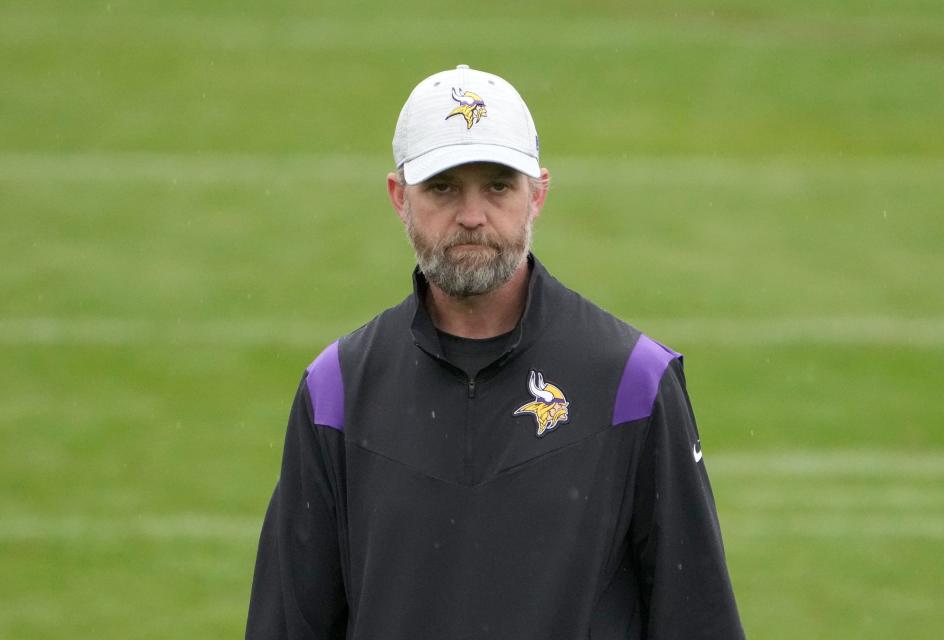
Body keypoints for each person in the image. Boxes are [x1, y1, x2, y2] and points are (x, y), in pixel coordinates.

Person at [246, 64, 744, 640]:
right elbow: (289, 622)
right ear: (398, 197)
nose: (472, 216)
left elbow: (696, 616)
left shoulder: (632, 381)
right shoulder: (336, 389)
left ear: (538, 194)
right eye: (443, 187)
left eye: (498, 185)